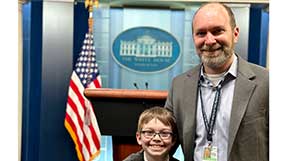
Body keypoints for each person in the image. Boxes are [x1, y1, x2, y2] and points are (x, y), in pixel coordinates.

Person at [165, 2, 269, 161]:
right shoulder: (179, 86)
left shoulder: (267, 83)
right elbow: (163, 142)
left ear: (235, 34)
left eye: (217, 31)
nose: (209, 40)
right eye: (201, 33)